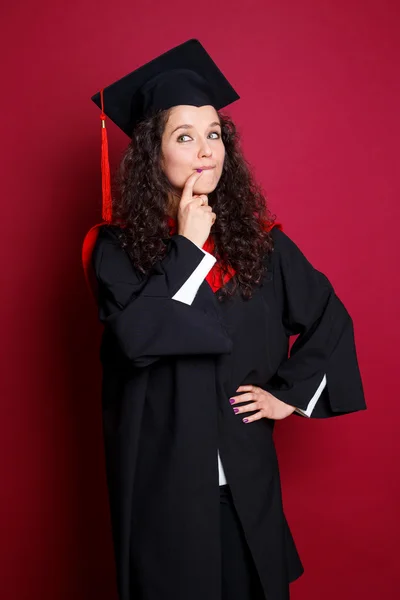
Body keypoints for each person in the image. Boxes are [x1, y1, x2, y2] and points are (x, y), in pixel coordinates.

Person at [82, 38, 366, 600]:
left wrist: (289, 393)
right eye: (184, 137)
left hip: (245, 480)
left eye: (213, 134)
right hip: (163, 487)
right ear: (151, 154)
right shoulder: (114, 250)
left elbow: (329, 317)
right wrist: (187, 245)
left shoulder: (259, 245)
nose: (205, 150)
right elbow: (138, 338)